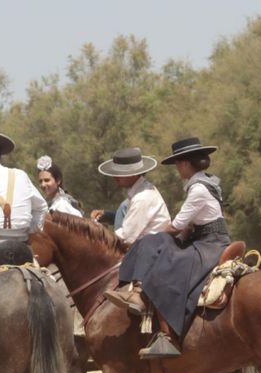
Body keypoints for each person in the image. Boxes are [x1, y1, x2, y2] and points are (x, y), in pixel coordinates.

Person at [108, 138, 229, 357]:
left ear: (184, 164)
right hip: (205, 239)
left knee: (164, 266)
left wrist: (154, 242)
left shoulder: (198, 189)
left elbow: (176, 226)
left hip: (209, 243)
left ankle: (168, 335)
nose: (177, 169)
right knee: (161, 247)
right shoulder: (203, 184)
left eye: (177, 164)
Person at [89, 147, 171, 243]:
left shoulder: (142, 198)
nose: (115, 177)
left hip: (151, 251)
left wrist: (95, 233)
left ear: (133, 174)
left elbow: (125, 237)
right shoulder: (142, 192)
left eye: (120, 174)